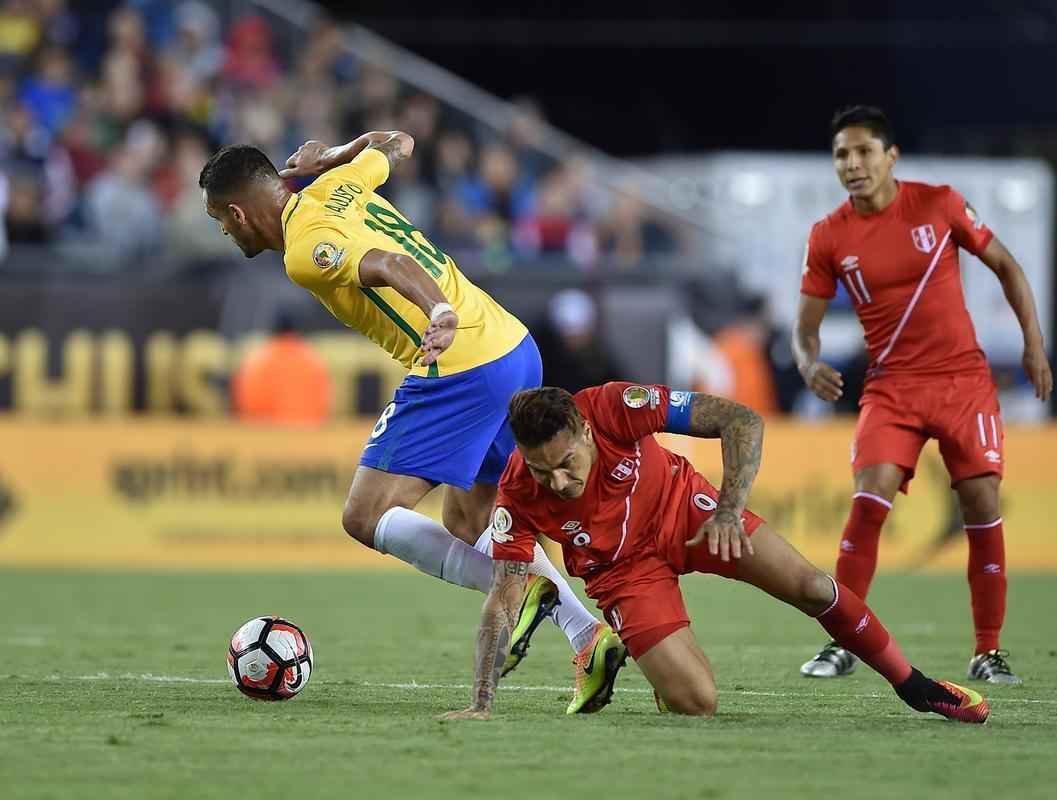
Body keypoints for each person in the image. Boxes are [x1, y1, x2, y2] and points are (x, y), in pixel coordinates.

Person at [199, 130, 616, 712]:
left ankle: (530, 593)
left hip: (460, 364)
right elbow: (400, 142)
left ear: (240, 212)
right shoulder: (338, 185)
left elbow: (390, 264)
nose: (225, 231)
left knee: (365, 515)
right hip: (513, 346)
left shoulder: (305, 250)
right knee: (473, 522)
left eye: (221, 219)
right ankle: (586, 635)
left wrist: (438, 311)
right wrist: (338, 156)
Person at [441, 382, 989, 723]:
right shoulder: (517, 493)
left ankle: (915, 687)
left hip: (689, 513)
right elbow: (504, 600)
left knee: (812, 586)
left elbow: (740, 419)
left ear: (585, 430)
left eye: (565, 463)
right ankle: (663, 674)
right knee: (698, 704)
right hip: (623, 575)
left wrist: (729, 511)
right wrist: (482, 701)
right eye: (543, 471)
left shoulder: (614, 406)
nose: (557, 482)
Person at [794, 106, 1052, 683]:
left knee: (982, 503)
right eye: (842, 155)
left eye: (863, 152)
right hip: (892, 388)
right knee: (870, 496)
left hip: (962, 381)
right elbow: (804, 324)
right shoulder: (830, 234)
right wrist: (808, 362)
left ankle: (988, 650)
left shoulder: (938, 204)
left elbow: (1007, 267)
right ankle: (842, 642)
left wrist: (1033, 345)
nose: (852, 164)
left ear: (891, 157)